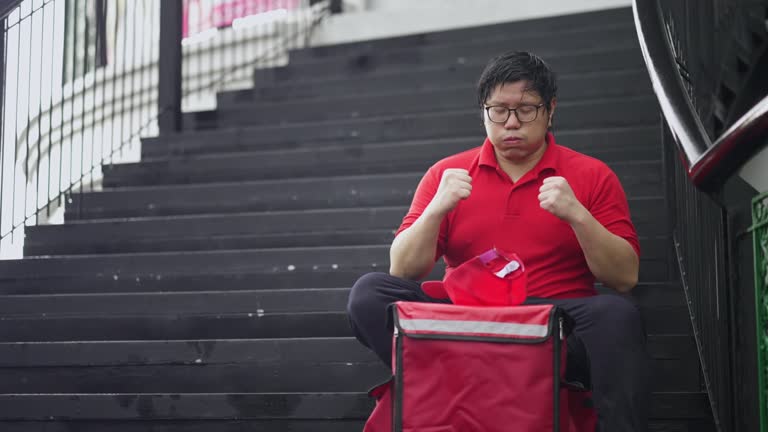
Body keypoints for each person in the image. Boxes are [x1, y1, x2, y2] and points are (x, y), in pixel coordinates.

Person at [347, 51, 650, 431]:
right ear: (483, 112)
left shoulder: (591, 175)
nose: (511, 123)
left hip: (554, 320)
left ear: (550, 109)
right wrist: (436, 209)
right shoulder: (446, 173)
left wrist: (578, 215)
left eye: (525, 110)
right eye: (498, 110)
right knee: (369, 292)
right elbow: (403, 269)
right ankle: (446, 376)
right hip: (467, 317)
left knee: (619, 316)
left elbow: (624, 277)